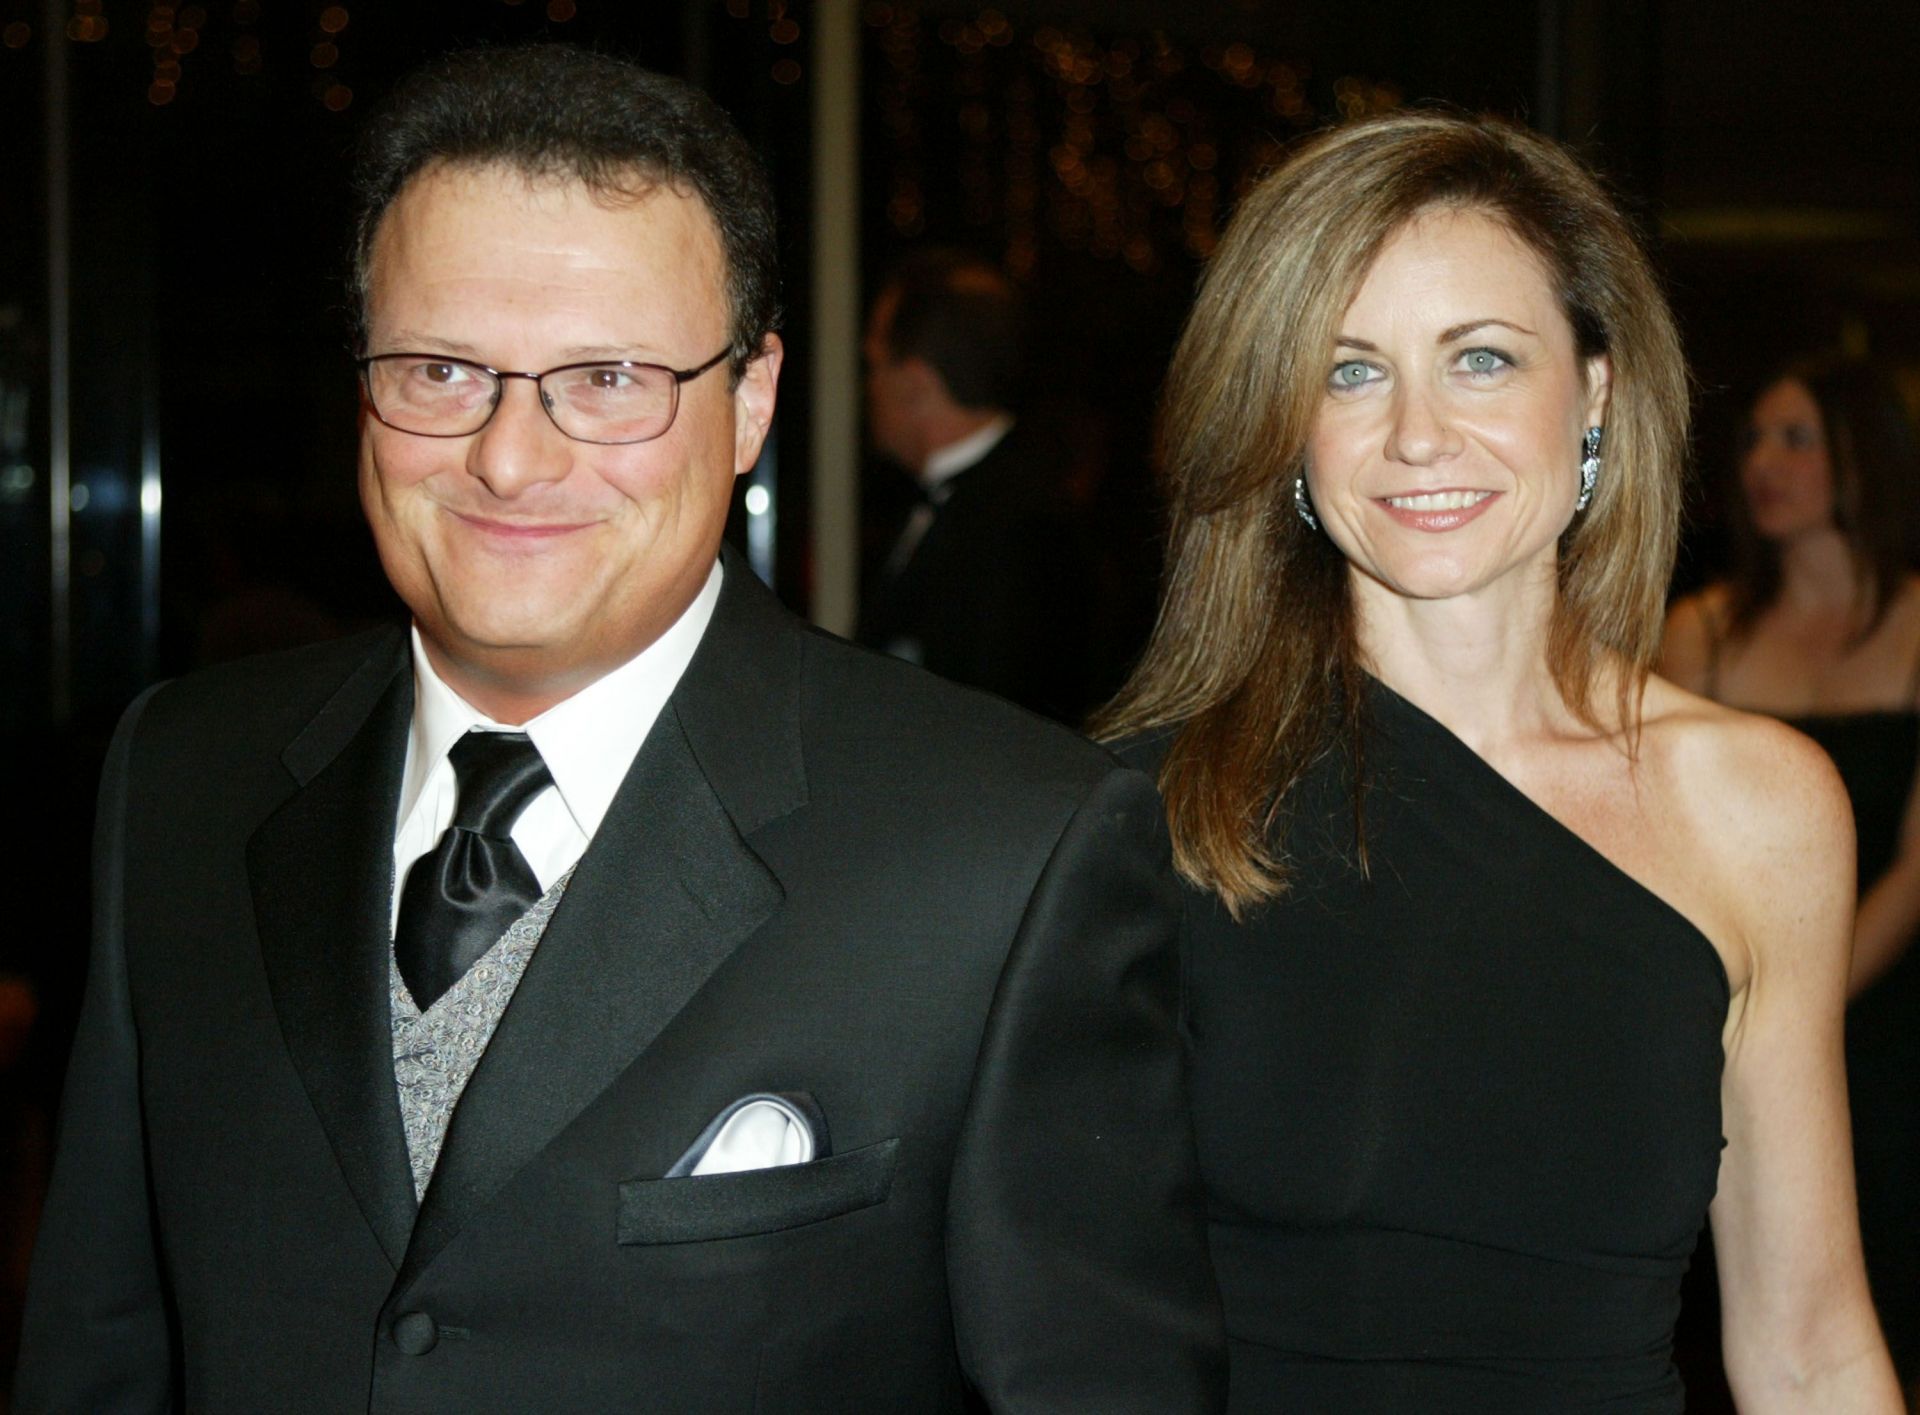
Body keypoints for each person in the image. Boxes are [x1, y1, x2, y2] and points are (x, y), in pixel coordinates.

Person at [14, 45, 1224, 1413]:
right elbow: (96, 1352)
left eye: (605, 378)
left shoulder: (1009, 853)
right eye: (440, 368)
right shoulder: (182, 776)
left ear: (751, 401)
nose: (509, 457)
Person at [1097, 110, 1902, 1411]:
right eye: (1349, 371)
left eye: (1480, 358)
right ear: (1283, 422)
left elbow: (1810, 1346)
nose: (1418, 434)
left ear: (1594, 392)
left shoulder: (1759, 805)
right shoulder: (1146, 814)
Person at [1664, 356, 1920, 1401]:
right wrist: (1736, 1009)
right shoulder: (1698, 632)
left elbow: (1918, 865)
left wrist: (1800, 998)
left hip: (1887, 1012)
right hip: (1718, 1006)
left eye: (1797, 437)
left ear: (1866, 456)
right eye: (1755, 439)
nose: (1764, 461)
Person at [857, 250, 1093, 720]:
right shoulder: (955, 502)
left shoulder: (1022, 526)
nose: (869, 385)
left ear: (916, 382)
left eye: (875, 364)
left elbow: (997, 717)